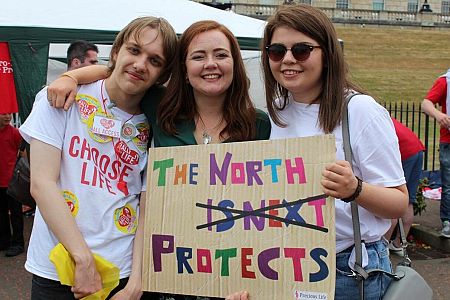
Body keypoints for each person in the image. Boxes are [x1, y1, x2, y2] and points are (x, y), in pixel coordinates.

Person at [47, 20, 270, 300]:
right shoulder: (161, 109)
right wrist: (72, 78)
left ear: (235, 64)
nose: (210, 64)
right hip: (171, 274)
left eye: (221, 55)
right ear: (184, 71)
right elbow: (118, 71)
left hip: (229, 271)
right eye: (198, 56)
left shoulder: (259, 125)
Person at [20, 16, 178, 300]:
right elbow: (42, 183)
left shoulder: (158, 120)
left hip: (123, 272)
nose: (141, 64)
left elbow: (147, 203)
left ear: (163, 74)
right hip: (60, 268)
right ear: (116, 52)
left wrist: (136, 283)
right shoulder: (61, 96)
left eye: (154, 61)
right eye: (134, 50)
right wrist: (83, 259)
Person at [261, 4, 408, 300]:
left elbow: (398, 203)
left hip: (346, 270)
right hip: (284, 261)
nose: (288, 59)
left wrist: (355, 189)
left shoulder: (359, 110)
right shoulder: (276, 112)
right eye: (277, 51)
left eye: (301, 50)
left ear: (327, 54)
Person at [384, 118, 425, 252]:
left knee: (392, 199)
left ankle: (381, 248)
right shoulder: (381, 115)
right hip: (416, 149)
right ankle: (399, 244)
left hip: (405, 152)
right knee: (408, 199)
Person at [422, 68, 450, 238]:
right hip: (448, 140)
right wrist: (440, 116)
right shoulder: (445, 81)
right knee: (448, 185)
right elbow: (426, 104)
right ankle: (447, 221)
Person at [0, 112, 25, 257]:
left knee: (16, 214)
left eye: (9, 114)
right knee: (1, 213)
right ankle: (4, 241)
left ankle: (18, 243)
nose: (8, 116)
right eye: (3, 114)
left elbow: (23, 155)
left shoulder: (15, 133)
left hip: (12, 182)